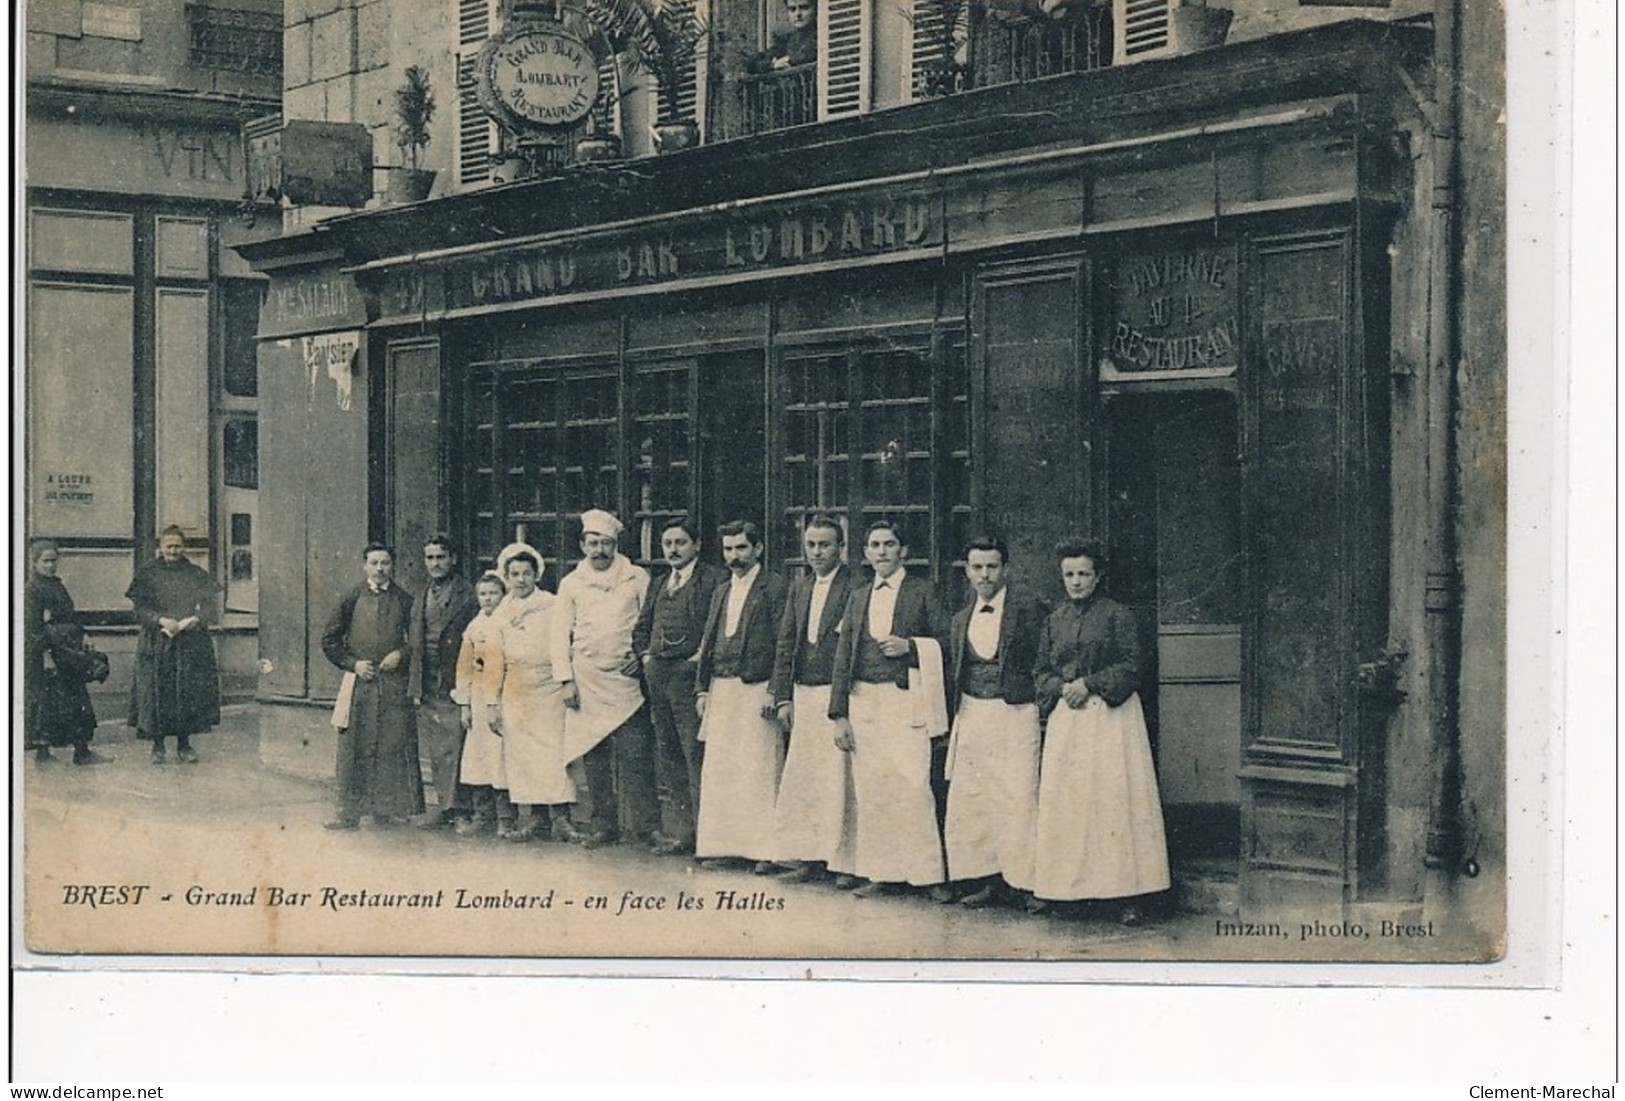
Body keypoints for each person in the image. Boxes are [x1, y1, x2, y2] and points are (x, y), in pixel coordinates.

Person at [1031, 538, 1170, 925]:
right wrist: (1061, 688)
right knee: (1072, 803)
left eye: (1083, 574)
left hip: (1111, 720)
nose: (1076, 582)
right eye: (1069, 575)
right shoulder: (1053, 620)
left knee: (1114, 802)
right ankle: (1070, 891)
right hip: (1068, 720)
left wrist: (1089, 683)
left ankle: (1126, 896)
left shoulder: (1117, 615)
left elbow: (1132, 665)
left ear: (1098, 576)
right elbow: (1039, 670)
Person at [828, 519, 952, 901]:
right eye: (874, 544)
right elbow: (844, 652)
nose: (881, 551)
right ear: (865, 553)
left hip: (904, 699)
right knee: (873, 788)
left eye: (889, 544)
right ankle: (881, 871)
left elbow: (948, 642)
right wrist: (839, 713)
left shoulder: (923, 591)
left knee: (913, 785)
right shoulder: (858, 595)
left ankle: (927, 874)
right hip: (865, 700)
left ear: (904, 551)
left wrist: (911, 646)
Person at [942, 535, 1045, 908]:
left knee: (1017, 795)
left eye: (992, 567)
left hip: (1015, 712)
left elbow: (1043, 661)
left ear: (1006, 569)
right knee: (975, 798)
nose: (984, 575)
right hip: (972, 712)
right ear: (967, 571)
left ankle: (1025, 884)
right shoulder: (959, 618)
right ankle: (985, 879)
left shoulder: (1029, 609)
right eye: (977, 568)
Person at [552, 509, 657, 848]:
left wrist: (640, 659)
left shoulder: (635, 577)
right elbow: (558, 634)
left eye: (606, 543)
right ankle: (603, 825)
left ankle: (645, 826)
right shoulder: (571, 583)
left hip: (625, 681)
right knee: (594, 756)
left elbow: (651, 623)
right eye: (593, 543)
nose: (599, 550)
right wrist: (565, 679)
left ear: (616, 545)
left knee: (636, 754)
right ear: (582, 545)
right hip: (586, 680)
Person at [767, 516, 860, 885]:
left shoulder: (856, 586)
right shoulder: (800, 586)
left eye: (825, 545)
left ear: (841, 548)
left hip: (836, 694)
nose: (817, 552)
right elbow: (786, 642)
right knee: (806, 779)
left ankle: (842, 862)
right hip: (803, 694)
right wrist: (783, 696)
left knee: (839, 780)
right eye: (811, 545)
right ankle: (807, 857)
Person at [692, 521, 789, 872]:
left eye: (742, 548)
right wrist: (702, 689)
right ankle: (725, 846)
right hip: (723, 688)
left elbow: (784, 643)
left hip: (756, 688)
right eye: (729, 549)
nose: (734, 556)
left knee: (759, 767)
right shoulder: (722, 590)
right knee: (722, 768)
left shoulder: (776, 587)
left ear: (758, 548)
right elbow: (709, 641)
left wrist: (776, 691)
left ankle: (764, 850)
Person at [633, 517, 726, 856]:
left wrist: (697, 662)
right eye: (668, 543)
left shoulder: (715, 580)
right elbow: (642, 627)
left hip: (690, 680)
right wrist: (646, 657)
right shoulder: (658, 583)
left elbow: (717, 628)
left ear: (697, 545)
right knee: (668, 754)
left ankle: (707, 836)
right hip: (659, 678)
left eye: (680, 542)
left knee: (695, 754)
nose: (673, 549)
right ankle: (681, 832)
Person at [321, 542, 422, 829]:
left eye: (385, 563)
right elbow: (329, 640)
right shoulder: (352, 597)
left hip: (392, 684)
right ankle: (348, 812)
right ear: (364, 565)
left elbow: (415, 640)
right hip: (360, 685)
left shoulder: (404, 599)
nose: (380, 569)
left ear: (393, 566)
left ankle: (386, 809)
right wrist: (353, 664)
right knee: (355, 746)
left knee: (391, 744)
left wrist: (400, 654)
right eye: (374, 563)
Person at [488, 543, 576, 842]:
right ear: (506, 577)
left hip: (549, 687)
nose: (521, 580)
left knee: (553, 752)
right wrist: (492, 702)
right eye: (515, 574)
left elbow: (564, 642)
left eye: (527, 573)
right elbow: (493, 657)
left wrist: (564, 680)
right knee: (524, 756)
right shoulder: (501, 612)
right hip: (516, 689)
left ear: (537, 574)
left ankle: (561, 818)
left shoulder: (552, 605)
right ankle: (535, 818)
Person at [126, 525, 222, 765]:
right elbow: (140, 609)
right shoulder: (148, 573)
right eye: (169, 546)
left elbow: (211, 607)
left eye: (178, 546)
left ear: (184, 547)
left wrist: (195, 620)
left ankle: (184, 744)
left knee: (186, 693)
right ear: (160, 547)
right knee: (157, 692)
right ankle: (157, 746)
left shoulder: (194, 573)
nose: (173, 550)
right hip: (157, 642)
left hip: (189, 642)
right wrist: (160, 620)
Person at [408, 536, 480, 829]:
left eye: (441, 557)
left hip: (456, 679)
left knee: (459, 746)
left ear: (453, 560)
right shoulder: (422, 594)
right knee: (438, 749)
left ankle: (462, 810)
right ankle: (445, 806)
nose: (435, 564)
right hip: (428, 681)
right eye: (430, 558)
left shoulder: (469, 595)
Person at [25, 538, 110, 766]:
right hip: (50, 656)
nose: (50, 565)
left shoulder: (57, 585)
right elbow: (33, 628)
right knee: (49, 703)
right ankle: (45, 754)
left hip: (68, 652)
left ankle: (81, 751)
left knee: (75, 700)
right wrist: (46, 655)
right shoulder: (32, 590)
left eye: (54, 561)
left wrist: (84, 635)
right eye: (45, 561)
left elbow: (69, 616)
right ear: (34, 563)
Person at [451, 571, 513, 837]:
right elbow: (464, 667)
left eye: (494, 593)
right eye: (483, 594)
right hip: (477, 696)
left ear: (503, 594)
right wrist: (464, 703)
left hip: (502, 696)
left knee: (500, 756)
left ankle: (506, 818)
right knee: (478, 756)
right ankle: (482, 814)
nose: (488, 599)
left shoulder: (508, 622)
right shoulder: (474, 627)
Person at [747, 0, 818, 72]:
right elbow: (752, 63)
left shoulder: (824, 36)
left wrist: (788, 60)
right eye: (792, 9)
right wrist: (773, 65)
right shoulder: (787, 41)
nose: (798, 14)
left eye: (804, 8)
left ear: (816, 9)